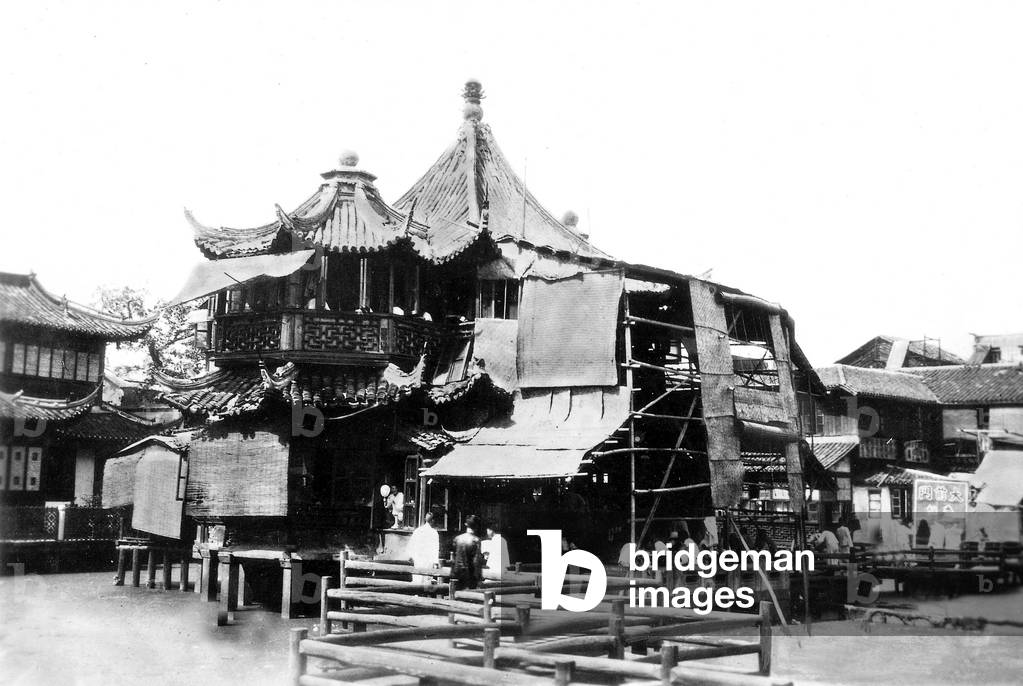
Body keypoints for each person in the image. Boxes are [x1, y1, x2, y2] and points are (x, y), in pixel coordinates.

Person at [451, 515, 484, 590]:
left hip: (457, 574)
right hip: (470, 575)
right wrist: (478, 577)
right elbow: (476, 561)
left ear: (466, 524)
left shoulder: (457, 538)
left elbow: (453, 558)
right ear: (476, 526)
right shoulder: (476, 540)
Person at [407, 512, 441, 585]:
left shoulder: (418, 531)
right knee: (426, 581)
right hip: (428, 560)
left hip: (418, 559)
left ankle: (416, 595)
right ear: (432, 521)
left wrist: (411, 556)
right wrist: (435, 562)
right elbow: (435, 549)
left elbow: (411, 545)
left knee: (417, 579)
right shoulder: (434, 533)